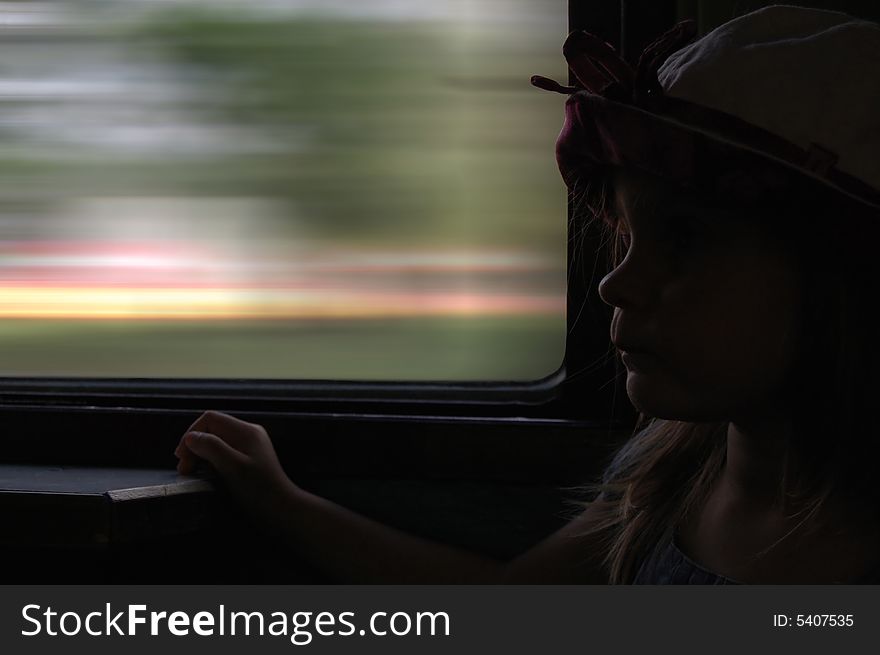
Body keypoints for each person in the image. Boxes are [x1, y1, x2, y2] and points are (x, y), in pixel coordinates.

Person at [175, 5, 880, 584]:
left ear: (841, 278)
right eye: (627, 238)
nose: (615, 281)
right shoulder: (672, 471)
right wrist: (283, 501)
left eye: (687, 240)